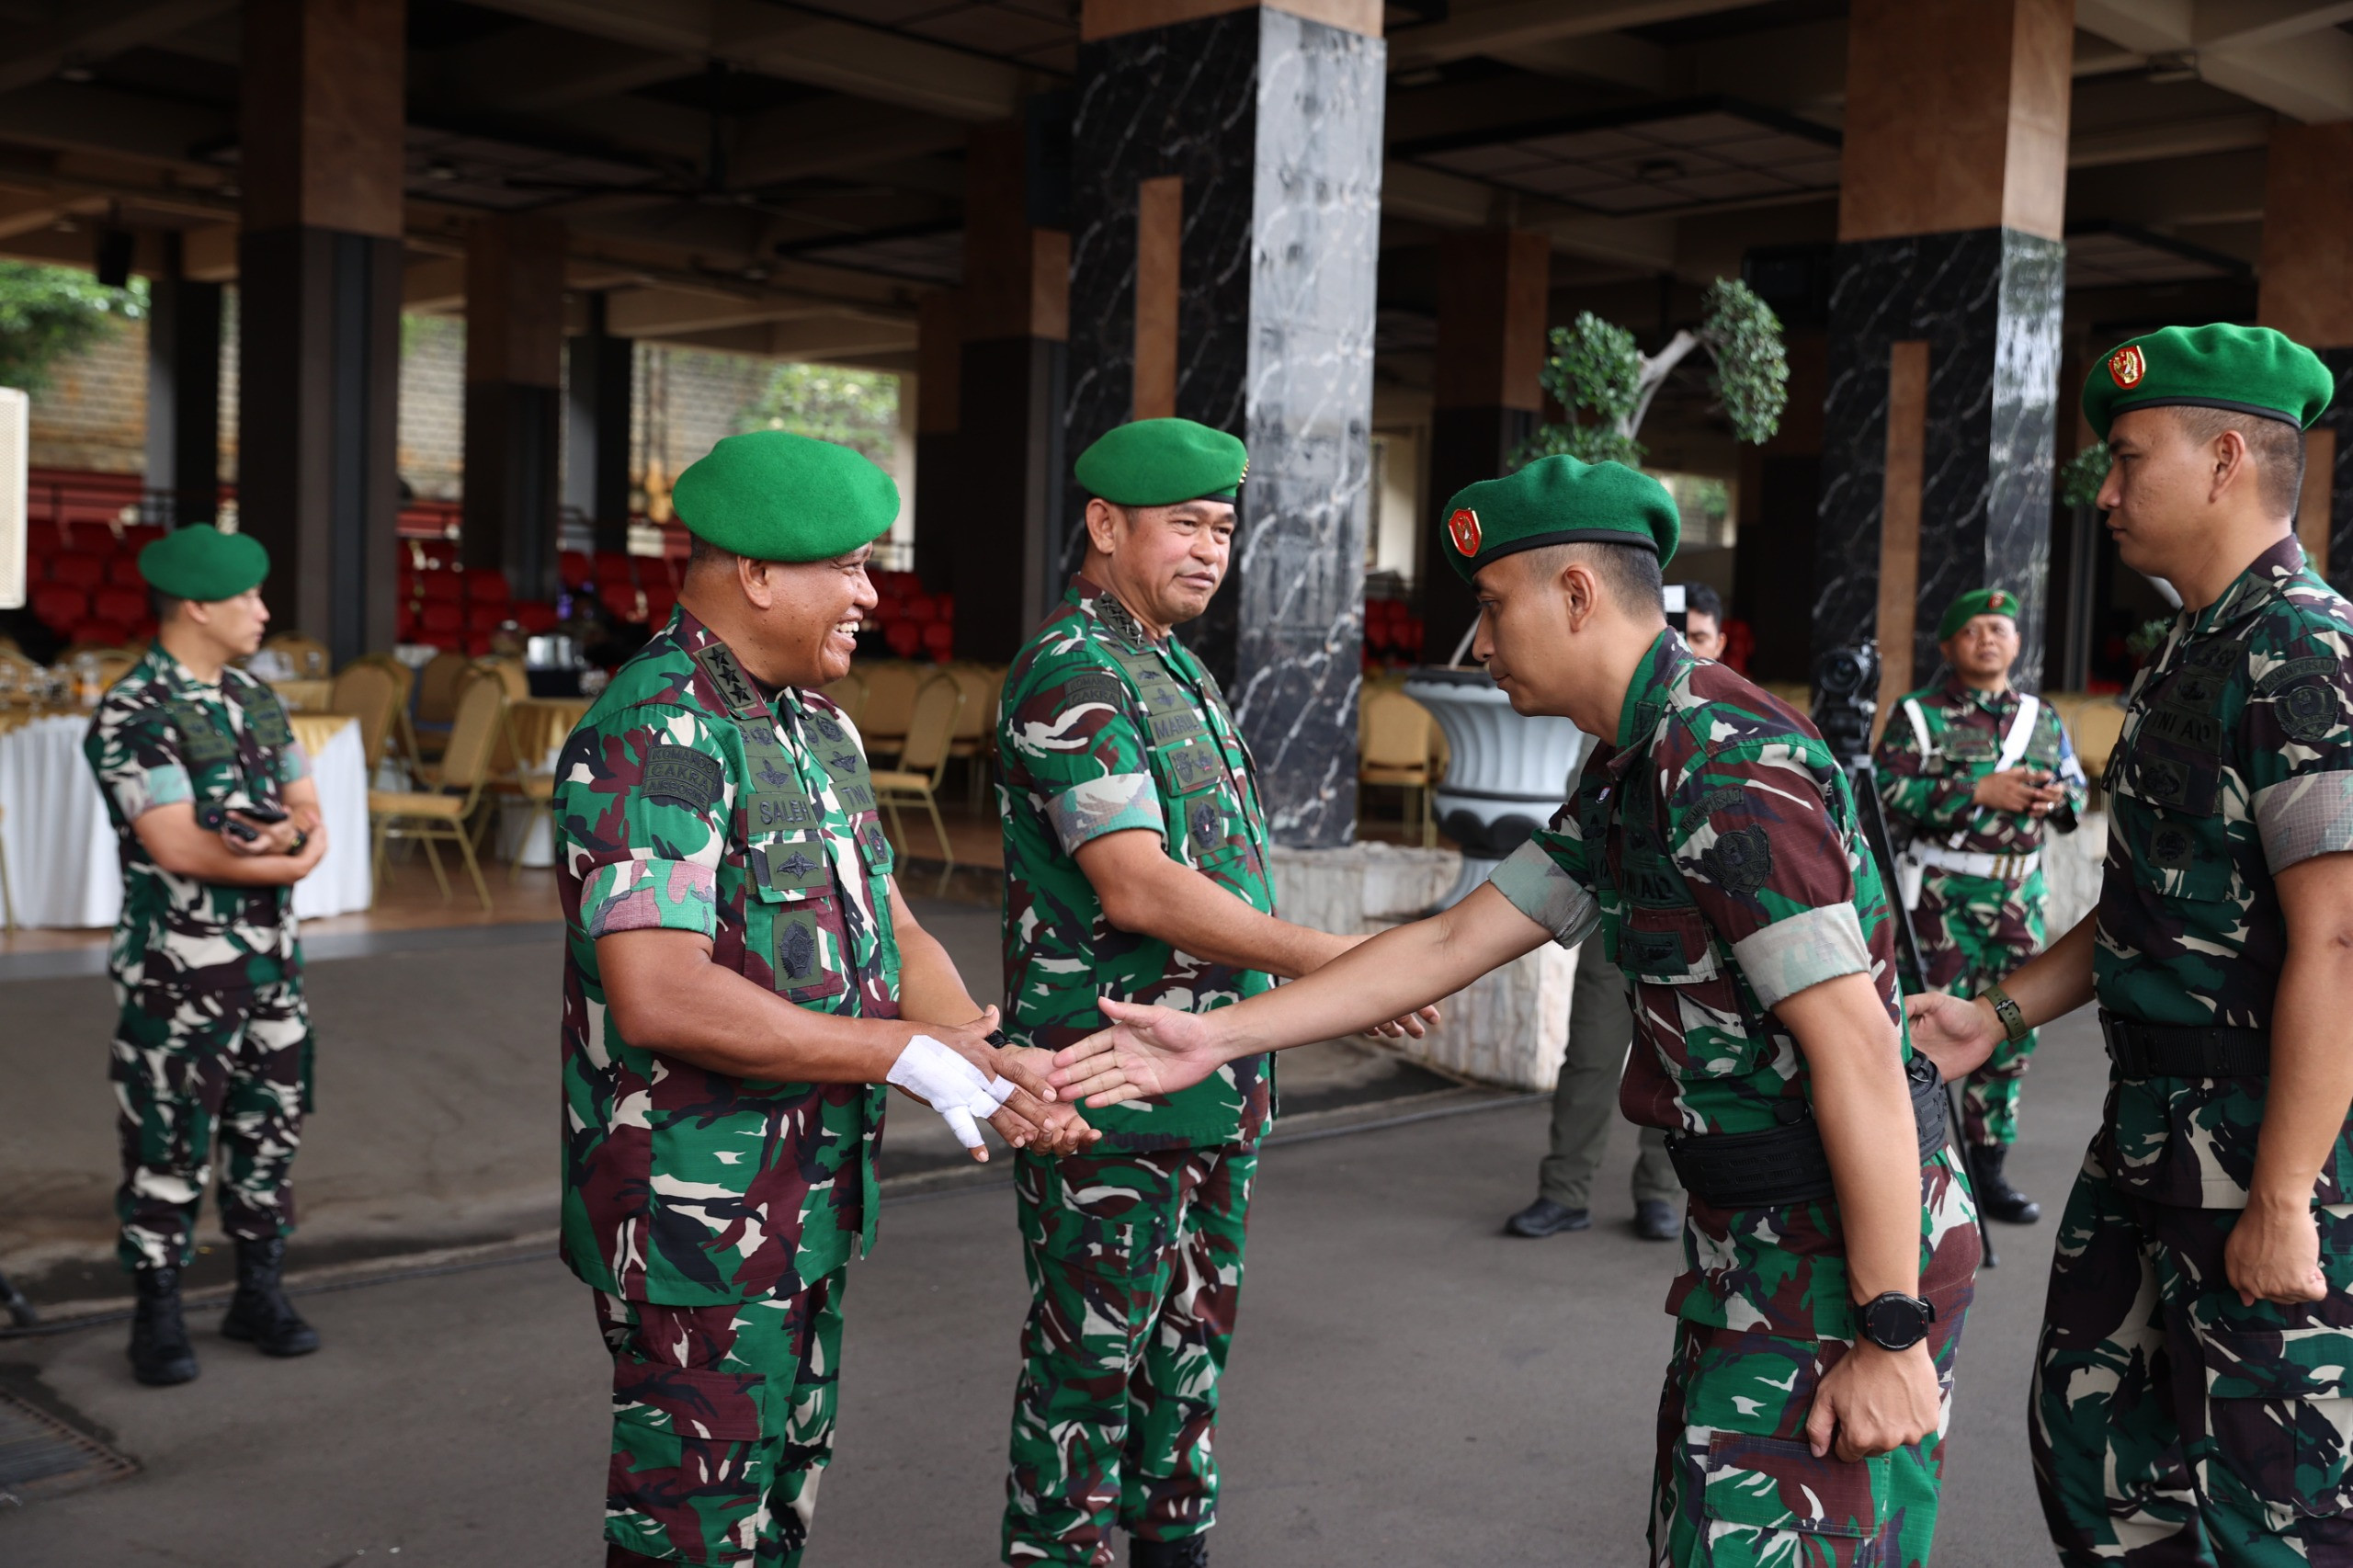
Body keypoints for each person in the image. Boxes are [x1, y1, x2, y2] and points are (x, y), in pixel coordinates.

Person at [1054, 455, 1982, 1567]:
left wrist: (1889, 1328)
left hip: (1844, 1254)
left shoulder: (1725, 765)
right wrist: (1215, 1034)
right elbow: (1454, 939)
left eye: (1493, 609)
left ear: (1577, 594)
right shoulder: (1634, 760)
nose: (1480, 645)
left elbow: (1863, 1058)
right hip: (1761, 1237)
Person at [551, 430, 1096, 1568]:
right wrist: (900, 1053)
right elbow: (656, 992)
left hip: (800, 1206)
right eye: (847, 566)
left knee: (776, 1509)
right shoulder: (661, 727)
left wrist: (982, 1060)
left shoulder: (815, 726)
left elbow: (886, 922)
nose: (868, 594)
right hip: (697, 1223)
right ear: (757, 573)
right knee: (694, 1533)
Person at [1905, 324, 2353, 1566]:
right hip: (2153, 1123)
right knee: (2093, 1443)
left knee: (2280, 1501)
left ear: (2223, 461)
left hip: (2265, 1144)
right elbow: (2156, 900)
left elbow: (2341, 940)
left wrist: (2281, 1197)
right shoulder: (2194, 652)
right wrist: (1996, 1012)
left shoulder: (2304, 654)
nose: (2102, 492)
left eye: (2126, 458)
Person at [995, 417, 1435, 1568]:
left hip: (1210, 1083)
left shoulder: (1168, 663)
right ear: (1103, 524)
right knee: (1088, 1366)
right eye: (1183, 523)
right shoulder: (1074, 669)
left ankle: (1171, 1545)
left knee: (1187, 1352)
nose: (1209, 548)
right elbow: (1135, 885)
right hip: (1110, 1085)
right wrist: (1331, 960)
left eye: (1224, 527)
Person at [84, 525, 331, 1387]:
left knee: (270, 1134)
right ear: (196, 605)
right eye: (249, 598)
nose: (265, 612)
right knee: (167, 1141)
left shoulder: (257, 701)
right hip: (178, 973)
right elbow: (176, 845)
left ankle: (257, 1294)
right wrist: (286, 851)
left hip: (272, 966)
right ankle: (157, 1314)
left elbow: (308, 807)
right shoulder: (134, 710)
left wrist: (288, 845)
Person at [1502, 586, 1723, 1243]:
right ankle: (1564, 1189)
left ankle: (1659, 1191)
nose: (1684, 644)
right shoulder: (1615, 717)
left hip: (1697, 926)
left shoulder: (1737, 725)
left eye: (1699, 635)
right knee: (1593, 1053)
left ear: (1722, 643)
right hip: (1617, 909)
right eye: (1675, 630)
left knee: (1680, 1056)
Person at [1873, 587, 2086, 1225]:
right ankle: (1902, 1166)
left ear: (2017, 642)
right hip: (1942, 901)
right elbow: (1884, 791)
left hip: (2020, 897)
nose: (1989, 638)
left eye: (2000, 627)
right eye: (1973, 629)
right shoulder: (1919, 715)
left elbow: (2074, 787)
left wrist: (2056, 800)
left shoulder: (2042, 718)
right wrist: (1977, 790)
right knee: (1924, 1035)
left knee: (2013, 1031)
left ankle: (1990, 1172)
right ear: (1948, 646)